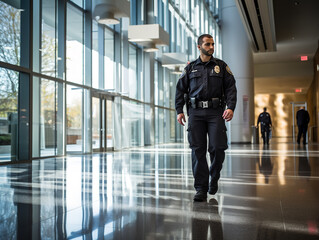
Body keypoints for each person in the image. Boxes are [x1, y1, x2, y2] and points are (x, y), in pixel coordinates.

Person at [175, 34, 237, 202]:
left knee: (217, 147)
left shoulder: (221, 66)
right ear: (199, 47)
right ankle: (201, 188)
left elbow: (231, 88)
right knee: (198, 151)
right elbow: (180, 89)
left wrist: (230, 107)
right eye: (207, 44)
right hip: (195, 114)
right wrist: (179, 110)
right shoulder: (190, 68)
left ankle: (214, 176)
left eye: (212, 44)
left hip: (215, 112)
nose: (211, 47)